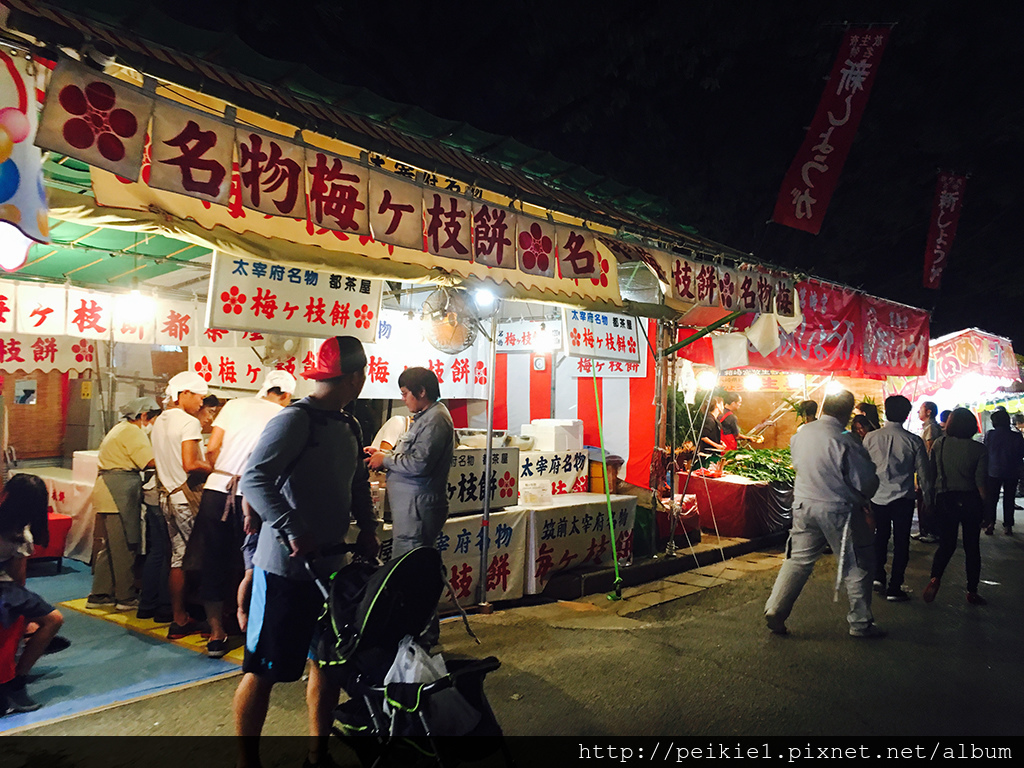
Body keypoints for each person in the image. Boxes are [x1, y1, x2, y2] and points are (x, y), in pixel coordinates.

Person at [235, 336, 379, 768]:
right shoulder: (295, 420)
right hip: (283, 570)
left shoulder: (348, 425)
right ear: (355, 377)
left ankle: (318, 752)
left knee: (328, 661)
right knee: (262, 669)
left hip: (332, 568)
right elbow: (254, 479)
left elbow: (355, 483)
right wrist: (291, 527)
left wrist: (369, 525)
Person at [764, 389, 883, 638]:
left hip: (804, 506)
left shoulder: (801, 434)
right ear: (848, 412)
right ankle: (860, 623)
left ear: (824, 408)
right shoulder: (846, 440)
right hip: (839, 510)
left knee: (797, 561)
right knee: (855, 564)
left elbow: (798, 465)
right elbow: (866, 482)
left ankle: (776, 608)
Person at [196, 371, 295, 658]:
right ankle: (252, 628)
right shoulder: (283, 416)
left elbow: (212, 448)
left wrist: (228, 469)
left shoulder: (235, 404)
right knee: (254, 564)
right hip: (252, 496)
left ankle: (216, 634)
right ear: (286, 395)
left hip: (216, 490)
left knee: (213, 562)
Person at [366, 367, 455, 557]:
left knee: (410, 565)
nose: (403, 399)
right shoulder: (426, 416)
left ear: (421, 391)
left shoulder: (436, 419)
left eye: (405, 393)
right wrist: (383, 453)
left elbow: (420, 463)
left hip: (418, 509)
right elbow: (412, 454)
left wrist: (386, 459)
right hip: (412, 509)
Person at [151, 371, 214, 640]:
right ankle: (211, 621)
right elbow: (190, 463)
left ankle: (179, 618)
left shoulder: (159, 421)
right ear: (184, 394)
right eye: (199, 395)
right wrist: (217, 467)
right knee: (204, 559)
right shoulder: (188, 422)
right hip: (186, 499)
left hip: (166, 496)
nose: (201, 402)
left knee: (178, 558)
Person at [85, 397, 158, 612]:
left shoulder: (120, 429)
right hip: (119, 492)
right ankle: (125, 597)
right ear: (143, 415)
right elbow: (149, 462)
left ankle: (100, 594)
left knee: (111, 547)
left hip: (108, 490)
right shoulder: (133, 432)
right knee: (126, 545)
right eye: (152, 419)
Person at [0, 475, 64, 715]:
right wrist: (28, 617)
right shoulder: (21, 536)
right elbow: (19, 581)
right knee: (54, 619)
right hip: (4, 591)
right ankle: (18, 679)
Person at [862, 396, 932, 602]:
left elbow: (863, 469)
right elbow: (924, 475)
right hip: (903, 497)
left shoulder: (870, 438)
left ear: (886, 412)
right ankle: (895, 586)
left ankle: (878, 576)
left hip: (877, 496)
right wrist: (927, 498)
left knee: (880, 536)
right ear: (907, 414)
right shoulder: (913, 440)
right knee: (902, 542)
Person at [923, 408, 989, 606]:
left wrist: (929, 500)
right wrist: (987, 509)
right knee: (972, 547)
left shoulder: (938, 445)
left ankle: (935, 578)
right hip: (970, 500)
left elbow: (931, 475)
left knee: (947, 544)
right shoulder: (979, 450)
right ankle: (972, 591)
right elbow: (980, 483)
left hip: (945, 498)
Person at [983, 408, 1023, 536]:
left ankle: (990, 524)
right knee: (1009, 498)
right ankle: (1008, 526)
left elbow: (986, 452)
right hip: (1012, 471)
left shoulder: (990, 435)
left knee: (992, 498)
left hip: (993, 471)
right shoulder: (1017, 436)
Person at [913, 401, 942, 543]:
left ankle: (931, 531)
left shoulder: (931, 428)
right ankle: (924, 529)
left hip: (928, 471)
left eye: (921, 409)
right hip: (924, 470)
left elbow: (930, 453)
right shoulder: (927, 427)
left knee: (928, 499)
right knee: (923, 500)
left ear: (929, 411)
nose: (919, 412)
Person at [698, 394, 726, 462]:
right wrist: (717, 445)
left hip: (713, 454)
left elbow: (711, 435)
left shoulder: (715, 420)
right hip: (707, 455)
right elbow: (703, 437)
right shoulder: (710, 420)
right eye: (722, 404)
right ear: (717, 405)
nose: (723, 407)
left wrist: (720, 442)